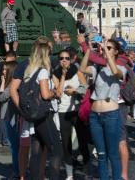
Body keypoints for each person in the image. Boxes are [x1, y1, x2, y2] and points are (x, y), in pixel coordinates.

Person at [10, 36, 62, 180]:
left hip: (31, 115)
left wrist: (24, 109)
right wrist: (54, 94)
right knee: (56, 150)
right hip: (42, 114)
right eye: (49, 51)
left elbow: (15, 89)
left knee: (36, 151)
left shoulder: (28, 69)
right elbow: (45, 95)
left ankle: (34, 177)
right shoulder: (42, 71)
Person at [81, 39, 126, 180]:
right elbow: (82, 69)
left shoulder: (121, 67)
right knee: (101, 154)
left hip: (111, 114)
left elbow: (115, 72)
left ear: (116, 51)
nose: (105, 49)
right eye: (104, 47)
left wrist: (105, 52)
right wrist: (88, 50)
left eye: (109, 48)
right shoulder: (97, 68)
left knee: (113, 153)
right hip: (95, 115)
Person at [53, 50, 86, 180]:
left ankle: (87, 171)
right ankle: (69, 175)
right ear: (59, 60)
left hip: (77, 111)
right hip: (63, 111)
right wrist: (63, 75)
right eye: (61, 58)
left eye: (67, 58)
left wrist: (75, 90)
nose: (64, 60)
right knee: (66, 144)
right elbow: (59, 93)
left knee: (82, 141)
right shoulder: (55, 74)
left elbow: (86, 87)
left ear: (71, 60)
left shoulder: (77, 72)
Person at [0, 61, 19, 179]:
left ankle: (17, 171)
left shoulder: (11, 84)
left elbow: (1, 97)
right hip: (9, 116)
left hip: (10, 117)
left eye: (6, 69)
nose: (3, 71)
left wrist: (2, 83)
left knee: (14, 146)